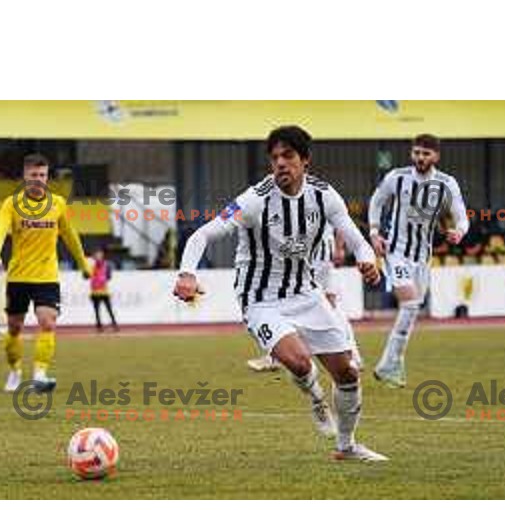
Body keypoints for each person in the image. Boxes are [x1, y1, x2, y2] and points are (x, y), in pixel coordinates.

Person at [173, 125, 387, 462]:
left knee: (347, 373)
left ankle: (346, 447)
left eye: (288, 156)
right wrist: (187, 273)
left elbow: (354, 236)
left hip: (305, 292)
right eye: (274, 158)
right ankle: (315, 396)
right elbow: (202, 234)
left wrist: (365, 258)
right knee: (298, 361)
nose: (280, 164)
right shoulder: (254, 200)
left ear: (305, 160)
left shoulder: (325, 195)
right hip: (260, 298)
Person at [368, 134, 469, 388]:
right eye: (416, 153)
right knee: (411, 303)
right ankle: (386, 364)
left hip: (423, 257)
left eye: (425, 154)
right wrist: (374, 232)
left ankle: (395, 362)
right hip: (396, 251)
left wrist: (459, 231)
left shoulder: (447, 184)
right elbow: (377, 201)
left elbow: (461, 216)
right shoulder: (397, 176)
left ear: (436, 156)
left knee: (412, 311)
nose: (420, 158)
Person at [0, 153, 91, 392]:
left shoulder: (58, 204)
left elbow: (70, 236)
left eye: (42, 175)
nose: (38, 179)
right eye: (33, 175)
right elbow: (0, 230)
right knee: (14, 328)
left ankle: (40, 375)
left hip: (47, 275)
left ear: (47, 177)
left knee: (48, 322)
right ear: (25, 176)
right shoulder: (11, 204)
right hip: (19, 276)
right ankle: (14, 372)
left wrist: (84, 265)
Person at [247, 224, 362, 372]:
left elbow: (338, 218)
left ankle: (276, 357)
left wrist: (339, 247)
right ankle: (353, 355)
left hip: (315, 249)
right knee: (329, 301)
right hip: (313, 247)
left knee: (307, 298)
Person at [90, 248, 119, 332]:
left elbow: (109, 276)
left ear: (102, 255)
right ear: (94, 256)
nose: (98, 256)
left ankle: (114, 324)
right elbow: (85, 275)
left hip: (104, 291)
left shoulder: (106, 265)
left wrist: (103, 278)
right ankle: (99, 326)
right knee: (97, 311)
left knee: (109, 309)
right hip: (94, 292)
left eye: (100, 254)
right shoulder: (91, 265)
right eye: (97, 255)